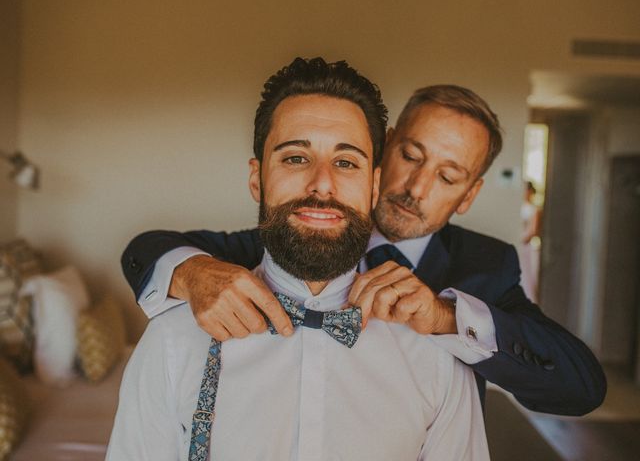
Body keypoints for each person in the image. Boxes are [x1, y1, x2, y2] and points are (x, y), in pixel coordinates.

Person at [121, 80, 606, 417]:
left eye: (447, 176)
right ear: (382, 149)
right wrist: (194, 274)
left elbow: (581, 388)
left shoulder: (487, 265)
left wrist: (443, 317)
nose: (415, 186)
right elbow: (147, 250)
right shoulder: (298, 231)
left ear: (470, 194)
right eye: (410, 156)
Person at [107, 57, 489, 461]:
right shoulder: (173, 341)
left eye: (345, 163)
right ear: (257, 179)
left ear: (374, 186)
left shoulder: (438, 356)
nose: (322, 184)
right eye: (295, 158)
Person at [518, 181, 542, 303]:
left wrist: (519, 239)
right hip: (520, 245)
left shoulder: (534, 209)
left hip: (526, 247)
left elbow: (533, 231)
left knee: (527, 277)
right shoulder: (518, 207)